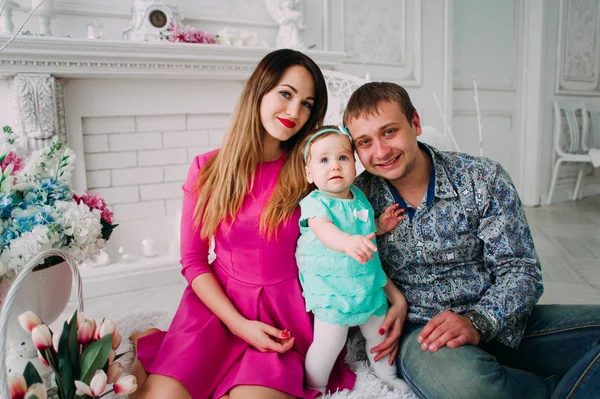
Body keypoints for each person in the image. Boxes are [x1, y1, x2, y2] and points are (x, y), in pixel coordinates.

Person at [342, 81, 600, 399]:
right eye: (365, 142)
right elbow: (346, 268)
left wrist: (478, 320)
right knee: (472, 389)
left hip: (503, 320)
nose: (380, 151)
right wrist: (394, 298)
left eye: (389, 132)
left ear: (415, 123)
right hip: (426, 335)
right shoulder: (356, 201)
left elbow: (521, 269)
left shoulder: (482, 178)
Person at [129, 49, 356, 399]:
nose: (294, 112)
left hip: (284, 318)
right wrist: (238, 325)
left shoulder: (312, 172)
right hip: (217, 312)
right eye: (286, 93)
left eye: (307, 103)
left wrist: (389, 296)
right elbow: (192, 261)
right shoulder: (207, 169)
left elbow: (352, 226)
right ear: (259, 90)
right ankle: (151, 349)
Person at [296, 125, 411, 394]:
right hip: (332, 288)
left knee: (377, 332)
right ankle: (315, 386)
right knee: (330, 340)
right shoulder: (316, 203)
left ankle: (387, 376)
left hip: (365, 281)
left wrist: (381, 226)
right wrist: (347, 242)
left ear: (355, 164)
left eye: (343, 158)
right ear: (309, 173)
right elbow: (325, 231)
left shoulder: (358, 197)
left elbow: (365, 228)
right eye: (324, 160)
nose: (335, 166)